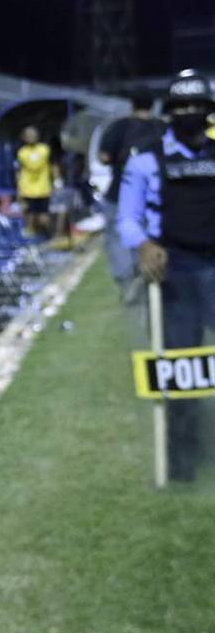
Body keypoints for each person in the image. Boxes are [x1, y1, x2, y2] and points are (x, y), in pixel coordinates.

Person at [118, 69, 215, 482]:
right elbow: (127, 218)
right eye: (182, 108)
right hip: (174, 272)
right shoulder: (145, 159)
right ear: (169, 112)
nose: (190, 114)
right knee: (182, 373)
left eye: (198, 107)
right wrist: (143, 245)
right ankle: (181, 465)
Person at [99, 90, 165, 297]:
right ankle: (147, 276)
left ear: (132, 105)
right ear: (153, 105)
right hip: (153, 196)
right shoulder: (161, 128)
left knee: (118, 239)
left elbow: (104, 157)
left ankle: (128, 282)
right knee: (149, 237)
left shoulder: (119, 127)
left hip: (119, 192)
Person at [16, 124, 54, 237]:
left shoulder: (45, 149)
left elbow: (48, 165)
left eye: (33, 134)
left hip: (43, 189)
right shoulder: (21, 152)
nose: (31, 137)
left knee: (43, 217)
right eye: (28, 135)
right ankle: (31, 238)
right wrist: (18, 189)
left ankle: (46, 236)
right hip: (27, 189)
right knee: (30, 216)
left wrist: (57, 181)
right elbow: (20, 170)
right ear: (24, 137)